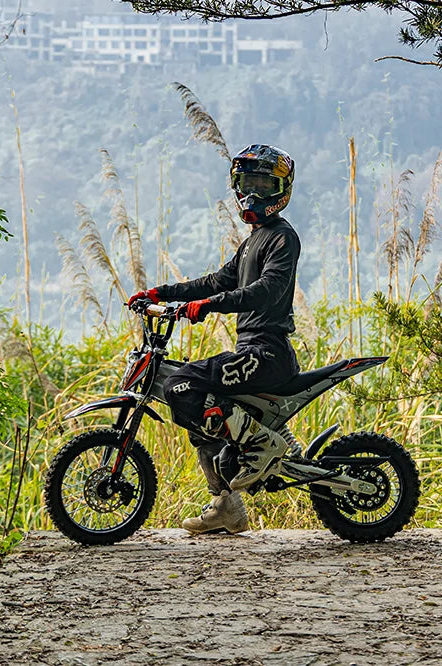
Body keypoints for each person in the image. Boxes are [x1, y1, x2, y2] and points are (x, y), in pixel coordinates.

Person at [127, 144, 301, 535]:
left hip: (268, 354)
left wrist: (208, 306)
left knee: (180, 384)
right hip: (251, 353)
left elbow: (266, 289)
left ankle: (263, 446)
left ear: (281, 190)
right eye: (247, 183)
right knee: (197, 419)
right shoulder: (253, 240)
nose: (253, 192)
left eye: (263, 184)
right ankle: (227, 506)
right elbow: (216, 281)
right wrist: (161, 293)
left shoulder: (282, 238)